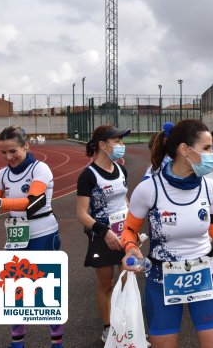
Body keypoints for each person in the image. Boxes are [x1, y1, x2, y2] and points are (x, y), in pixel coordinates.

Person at [120, 119, 213, 348]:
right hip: (162, 277)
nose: (212, 153)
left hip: (204, 274)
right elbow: (129, 229)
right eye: (206, 148)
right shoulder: (149, 189)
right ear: (185, 150)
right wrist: (131, 248)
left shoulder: (210, 187)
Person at [0, 126, 63, 348]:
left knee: (47, 290)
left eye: (13, 151)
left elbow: (34, 204)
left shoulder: (40, 169)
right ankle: (17, 341)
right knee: (15, 289)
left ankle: (56, 341)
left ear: (26, 146)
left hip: (44, 234)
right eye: (3, 153)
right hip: (16, 238)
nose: (9, 157)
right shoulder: (2, 174)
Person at [76, 125, 131, 343]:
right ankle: (108, 327)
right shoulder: (87, 176)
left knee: (128, 280)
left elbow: (124, 200)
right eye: (117, 141)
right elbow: (81, 214)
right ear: (103, 145)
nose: (121, 146)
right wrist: (104, 231)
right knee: (106, 284)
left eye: (121, 141)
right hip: (102, 236)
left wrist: (132, 225)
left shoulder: (121, 170)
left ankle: (128, 323)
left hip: (125, 233)